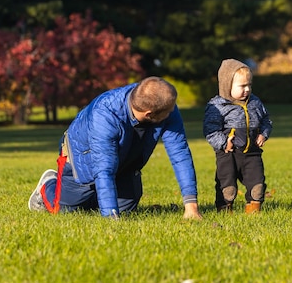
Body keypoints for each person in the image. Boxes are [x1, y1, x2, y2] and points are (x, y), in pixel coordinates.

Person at [28, 76, 202, 220]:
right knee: (64, 210)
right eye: (169, 112)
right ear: (149, 114)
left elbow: (180, 153)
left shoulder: (164, 103)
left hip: (125, 157)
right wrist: (111, 219)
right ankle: (48, 185)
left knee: (126, 210)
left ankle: (99, 198)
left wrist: (191, 207)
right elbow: (104, 169)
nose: (173, 113)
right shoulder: (105, 113)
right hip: (82, 159)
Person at [203, 59, 273, 213]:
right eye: (242, 86)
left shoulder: (255, 102)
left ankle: (253, 208)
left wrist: (263, 133)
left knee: (257, 185)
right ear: (227, 85)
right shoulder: (218, 105)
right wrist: (223, 143)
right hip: (229, 153)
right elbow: (210, 130)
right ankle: (224, 208)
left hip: (252, 153)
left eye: (249, 85)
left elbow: (266, 120)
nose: (247, 89)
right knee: (227, 186)